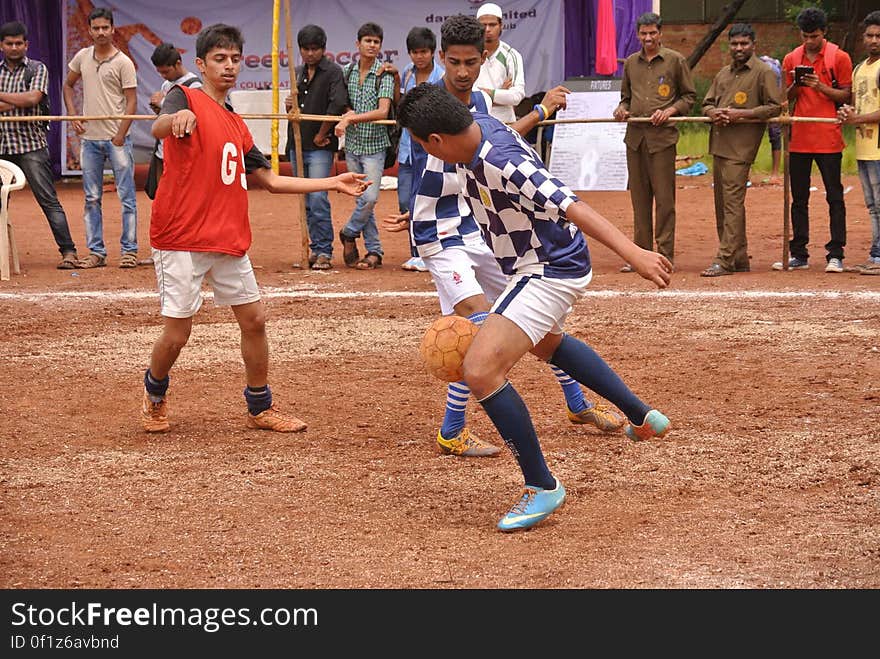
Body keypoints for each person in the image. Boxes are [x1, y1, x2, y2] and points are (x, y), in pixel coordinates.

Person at [398, 83, 673, 531]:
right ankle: (643, 417)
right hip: (532, 262)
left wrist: (634, 253)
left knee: (481, 368)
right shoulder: (478, 132)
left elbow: (572, 205)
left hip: (549, 268)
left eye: (418, 146)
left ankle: (542, 486)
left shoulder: (500, 159)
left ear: (435, 141)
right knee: (548, 345)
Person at [385, 14, 625, 458]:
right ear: (441, 59)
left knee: (534, 323)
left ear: (483, 60)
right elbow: (427, 163)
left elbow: (497, 147)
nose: (461, 71)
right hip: (441, 234)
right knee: (479, 323)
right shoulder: (427, 105)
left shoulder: (478, 99)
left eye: (470, 62)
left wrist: (541, 112)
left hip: (482, 228)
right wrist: (415, 211)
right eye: (453, 62)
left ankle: (576, 405)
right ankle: (452, 429)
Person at [140, 24, 369, 434]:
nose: (228, 66)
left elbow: (271, 180)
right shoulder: (185, 95)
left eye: (234, 59)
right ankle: (154, 393)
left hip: (226, 238)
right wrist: (177, 117)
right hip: (180, 238)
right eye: (218, 59)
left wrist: (333, 182)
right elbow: (159, 126)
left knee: (255, 320)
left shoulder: (236, 125)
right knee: (178, 334)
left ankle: (260, 406)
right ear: (200, 64)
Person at [614, 12, 695, 273]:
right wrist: (621, 109)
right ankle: (640, 254)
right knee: (639, 199)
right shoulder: (630, 63)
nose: (648, 38)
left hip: (662, 140)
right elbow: (625, 98)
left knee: (664, 199)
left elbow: (689, 97)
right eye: (643, 34)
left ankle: (664, 254)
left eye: (653, 33)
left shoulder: (675, 61)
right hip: (635, 139)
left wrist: (670, 111)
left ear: (660, 34)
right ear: (638, 35)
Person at [774, 7, 852, 273]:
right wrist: (797, 84)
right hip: (800, 139)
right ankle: (799, 253)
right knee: (798, 198)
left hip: (828, 137)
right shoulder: (791, 58)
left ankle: (836, 252)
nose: (810, 41)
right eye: (806, 36)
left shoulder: (838, 57)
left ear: (824, 32)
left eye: (815, 36)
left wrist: (820, 86)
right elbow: (786, 97)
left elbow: (846, 96)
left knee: (834, 197)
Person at [700, 24, 783, 277]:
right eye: (735, 44)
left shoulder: (763, 72)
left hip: (742, 148)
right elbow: (706, 104)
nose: (739, 48)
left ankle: (724, 261)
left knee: (733, 205)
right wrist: (714, 113)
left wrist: (741, 114)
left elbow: (774, 107)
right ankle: (738, 258)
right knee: (723, 206)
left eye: (744, 43)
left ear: (753, 45)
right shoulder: (724, 73)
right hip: (720, 145)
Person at [63, 6, 140, 269]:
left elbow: (132, 102)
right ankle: (96, 252)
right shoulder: (82, 57)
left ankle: (129, 251)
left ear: (113, 29)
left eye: (105, 27)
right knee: (91, 198)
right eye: (95, 28)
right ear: (89, 30)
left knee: (126, 197)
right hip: (90, 140)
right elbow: (67, 85)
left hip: (117, 138)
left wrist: (121, 133)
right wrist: (73, 115)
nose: (100, 32)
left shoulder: (123, 62)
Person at [0, 21, 79, 269]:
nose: (14, 47)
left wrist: (17, 99)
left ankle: (68, 251)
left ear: (26, 44)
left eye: (18, 43)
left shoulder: (37, 68)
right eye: (9, 43)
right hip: (2, 146)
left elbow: (34, 98)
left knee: (48, 200)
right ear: (1, 45)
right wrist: (20, 101)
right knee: (0, 202)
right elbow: (26, 99)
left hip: (31, 145)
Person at [283, 25, 348, 271]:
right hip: (298, 143)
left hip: (319, 144)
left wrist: (323, 134)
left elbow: (337, 103)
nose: (310, 53)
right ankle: (312, 247)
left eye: (315, 49)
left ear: (323, 49)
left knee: (319, 196)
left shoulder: (332, 72)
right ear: (299, 50)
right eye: (305, 49)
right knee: (305, 200)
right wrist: (289, 105)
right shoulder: (297, 73)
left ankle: (324, 250)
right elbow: (293, 112)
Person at [333, 22, 396, 271]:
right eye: (368, 41)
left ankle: (348, 233)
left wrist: (350, 118)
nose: (372, 45)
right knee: (361, 198)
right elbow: (342, 102)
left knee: (369, 197)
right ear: (357, 43)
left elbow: (383, 111)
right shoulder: (346, 71)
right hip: (353, 145)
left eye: (376, 42)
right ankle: (374, 251)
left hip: (376, 145)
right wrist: (346, 113)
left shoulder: (385, 73)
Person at [397, 26, 444, 273]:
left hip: (432, 148)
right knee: (406, 199)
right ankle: (415, 251)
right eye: (415, 52)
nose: (419, 57)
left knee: (429, 200)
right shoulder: (406, 73)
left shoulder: (442, 76)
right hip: (407, 148)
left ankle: (430, 251)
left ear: (433, 52)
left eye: (424, 51)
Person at [838, 11, 880, 276]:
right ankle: (876, 255)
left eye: (878, 36)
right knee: (872, 205)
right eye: (870, 35)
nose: (874, 40)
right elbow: (856, 104)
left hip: (878, 149)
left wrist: (857, 118)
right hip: (865, 147)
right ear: (862, 37)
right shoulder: (859, 68)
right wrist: (846, 113)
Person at [149, 42, 201, 180]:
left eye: (166, 71)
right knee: (162, 195)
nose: (163, 76)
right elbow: (166, 115)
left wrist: (161, 103)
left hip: (181, 153)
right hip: (162, 150)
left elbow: (194, 119)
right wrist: (158, 109)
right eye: (160, 72)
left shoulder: (195, 85)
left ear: (178, 64)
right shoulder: (166, 84)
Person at [473, 2, 525, 124]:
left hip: (505, 124)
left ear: (501, 26)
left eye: (492, 25)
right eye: (483, 25)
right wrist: (500, 94)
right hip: (475, 123)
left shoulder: (511, 55)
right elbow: (463, 96)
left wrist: (482, 93)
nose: (487, 30)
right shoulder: (469, 53)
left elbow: (517, 96)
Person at [758, 53, 783, 184]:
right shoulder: (756, 68)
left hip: (773, 105)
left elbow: (779, 90)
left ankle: (775, 173)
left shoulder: (773, 68)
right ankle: (745, 173)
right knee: (748, 136)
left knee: (775, 135)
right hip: (756, 104)